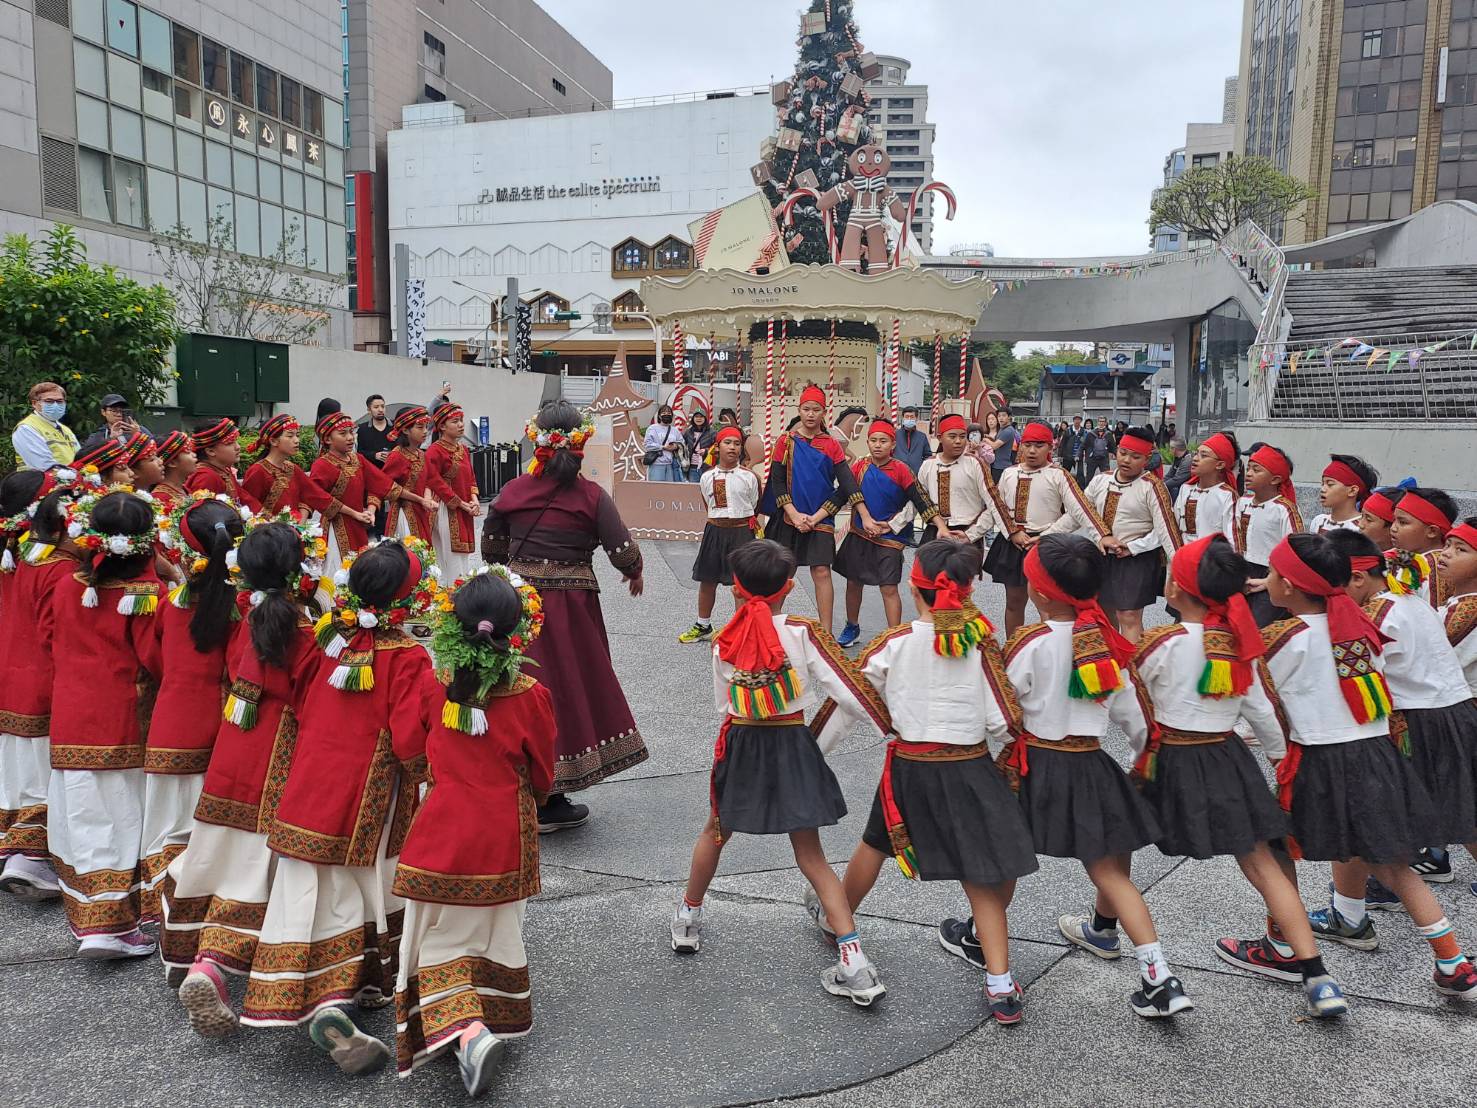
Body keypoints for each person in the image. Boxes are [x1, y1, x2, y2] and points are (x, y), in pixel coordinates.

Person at [240, 540, 439, 1073]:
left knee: (304, 888)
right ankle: (336, 998)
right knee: (357, 887)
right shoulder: (408, 655)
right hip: (362, 797)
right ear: (409, 596)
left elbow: (300, 704)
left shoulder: (329, 640)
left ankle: (312, 989)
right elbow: (407, 739)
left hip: (306, 784)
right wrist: (432, 779)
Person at [1129, 536, 1348, 1017]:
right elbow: (1264, 713)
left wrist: (1138, 743)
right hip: (1227, 760)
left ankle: (1117, 940)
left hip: (1170, 759)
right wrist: (1280, 763)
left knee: (1114, 845)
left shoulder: (1159, 644)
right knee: (1261, 863)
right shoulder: (1239, 643)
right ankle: (1319, 978)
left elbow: (1132, 702)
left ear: (1179, 589)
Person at [669, 539, 892, 1006]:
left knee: (715, 832)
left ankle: (688, 916)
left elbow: (722, 706)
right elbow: (848, 691)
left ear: (734, 589)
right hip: (793, 743)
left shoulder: (724, 638)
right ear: (789, 587)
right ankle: (854, 960)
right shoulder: (803, 631)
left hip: (744, 742)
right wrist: (893, 727)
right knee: (810, 854)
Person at [825, 541, 1038, 1025]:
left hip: (908, 769)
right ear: (968, 591)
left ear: (913, 586)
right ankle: (1001, 987)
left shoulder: (890, 645)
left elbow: (849, 705)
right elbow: (1004, 719)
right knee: (980, 876)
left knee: (874, 843)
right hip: (968, 767)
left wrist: (813, 752)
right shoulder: (981, 645)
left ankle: (834, 919)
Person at [1255, 534, 1474, 998]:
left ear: (1291, 586)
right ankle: (1452, 960)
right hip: (1376, 753)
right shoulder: (1361, 626)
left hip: (1323, 759)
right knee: (1392, 862)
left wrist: (1275, 750)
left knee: (1276, 846)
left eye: (1273, 574)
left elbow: (1262, 703)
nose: (1267, 581)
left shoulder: (1283, 637)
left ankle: (1285, 946)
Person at [997, 535, 1193, 1018]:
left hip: (1032, 766)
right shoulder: (1106, 644)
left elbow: (1003, 710)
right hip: (1088, 764)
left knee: (1004, 858)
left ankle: (984, 940)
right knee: (1109, 871)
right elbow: (1135, 716)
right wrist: (1143, 761)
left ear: (1039, 593)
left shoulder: (1028, 643)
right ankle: (1158, 974)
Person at [392, 566, 554, 1093]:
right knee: (492, 929)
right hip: (504, 828)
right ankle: (474, 1027)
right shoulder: (530, 693)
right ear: (514, 631)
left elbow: (413, 749)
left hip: (441, 826)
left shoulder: (436, 684)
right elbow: (543, 773)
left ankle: (463, 1026)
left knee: (439, 933)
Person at [167, 520, 321, 1036]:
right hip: (280, 750)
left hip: (233, 751)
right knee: (263, 869)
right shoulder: (302, 631)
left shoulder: (244, 619)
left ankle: (205, 959)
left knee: (225, 858)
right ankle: (221, 965)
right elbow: (311, 700)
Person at [483, 401, 647, 830]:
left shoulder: (513, 491)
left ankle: (514, 784)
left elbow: (492, 550)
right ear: (581, 443)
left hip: (518, 606)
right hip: (571, 608)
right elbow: (622, 549)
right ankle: (551, 796)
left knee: (516, 687)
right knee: (566, 689)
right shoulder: (591, 496)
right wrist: (634, 572)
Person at [1321, 528, 1477, 912]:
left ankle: (1351, 913)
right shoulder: (1406, 600)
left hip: (1418, 724)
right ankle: (1359, 902)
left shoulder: (1374, 615)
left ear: (1357, 578)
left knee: (1363, 816)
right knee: (1459, 812)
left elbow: (1359, 680)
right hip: (1451, 715)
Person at [38, 489, 162, 958]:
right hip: (122, 721)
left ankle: (91, 920)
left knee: (82, 818)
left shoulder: (69, 583)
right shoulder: (145, 596)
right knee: (121, 817)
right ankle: (112, 925)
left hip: (71, 716)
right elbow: (155, 659)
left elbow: (51, 638)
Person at [141, 495, 246, 919]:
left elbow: (154, 660)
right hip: (218, 730)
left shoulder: (172, 604)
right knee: (207, 827)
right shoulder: (239, 608)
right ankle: (196, 911)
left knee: (166, 824)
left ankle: (156, 906)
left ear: (184, 552)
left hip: (170, 727)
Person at [0, 472, 76, 898]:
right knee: (37, 772)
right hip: (40, 678)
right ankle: (28, 858)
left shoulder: (17, 551)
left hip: (11, 672)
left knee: (17, 769)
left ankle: (15, 847)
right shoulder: (50, 563)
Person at [759, 385, 876, 635]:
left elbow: (846, 483)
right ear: (799, 410)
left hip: (820, 516)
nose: (811, 414)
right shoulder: (785, 441)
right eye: (806, 409)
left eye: (816, 410)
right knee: (783, 571)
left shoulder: (832, 445)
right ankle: (771, 625)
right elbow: (777, 482)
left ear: (824, 412)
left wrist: (858, 515)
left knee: (822, 571)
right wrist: (792, 513)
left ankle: (825, 633)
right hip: (789, 516)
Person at [985, 421, 1118, 636]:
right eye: (1027, 444)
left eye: (1039, 445)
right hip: (1013, 543)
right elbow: (996, 508)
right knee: (1013, 602)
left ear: (1051, 447)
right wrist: (1009, 532)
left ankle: (1052, 651)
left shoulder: (1059, 475)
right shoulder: (1009, 474)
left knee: (1050, 606)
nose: (1032, 450)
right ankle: (1013, 651)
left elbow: (1080, 509)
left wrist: (1102, 535)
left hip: (1047, 547)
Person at [833, 418, 940, 646]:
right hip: (859, 532)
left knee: (889, 588)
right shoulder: (859, 467)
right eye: (873, 440)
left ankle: (895, 636)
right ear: (868, 442)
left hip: (890, 537)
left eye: (883, 441)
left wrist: (941, 526)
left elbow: (921, 501)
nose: (878, 445)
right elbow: (842, 495)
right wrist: (817, 517)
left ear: (893, 444)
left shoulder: (902, 470)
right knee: (853, 583)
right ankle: (852, 627)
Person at [1082, 425, 1182, 643]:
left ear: (1146, 460)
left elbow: (1165, 530)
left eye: (1135, 456)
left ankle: (1133, 673)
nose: (1126, 460)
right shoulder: (1101, 480)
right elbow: (1080, 513)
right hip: (1102, 556)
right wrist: (1048, 535)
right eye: (1123, 453)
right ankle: (1110, 667)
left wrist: (1135, 547)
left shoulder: (1153, 487)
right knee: (1104, 613)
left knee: (1128, 616)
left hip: (1137, 560)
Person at [679, 426, 760, 644]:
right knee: (707, 579)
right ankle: (703, 624)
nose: (732, 447)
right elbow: (708, 504)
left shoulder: (749, 477)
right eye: (727, 442)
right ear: (718, 446)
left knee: (741, 584)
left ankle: (740, 627)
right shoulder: (706, 477)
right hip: (714, 530)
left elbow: (754, 504)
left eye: (736, 443)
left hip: (742, 531)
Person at [309, 411, 395, 567]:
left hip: (359, 524)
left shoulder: (358, 459)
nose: (350, 437)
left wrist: (371, 510)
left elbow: (379, 484)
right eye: (343, 434)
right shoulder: (322, 465)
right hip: (336, 528)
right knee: (340, 572)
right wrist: (355, 514)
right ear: (327, 439)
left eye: (351, 432)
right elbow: (316, 498)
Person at [913, 413, 1000, 560]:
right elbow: (917, 501)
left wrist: (972, 534)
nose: (958, 441)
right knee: (926, 579)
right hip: (935, 531)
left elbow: (994, 503)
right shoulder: (929, 464)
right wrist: (892, 525)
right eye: (952, 437)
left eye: (962, 436)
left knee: (960, 581)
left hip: (967, 533)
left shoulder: (975, 463)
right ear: (940, 438)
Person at [1236, 444, 1303, 627]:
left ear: (1275, 479)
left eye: (1256, 470)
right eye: (1248, 468)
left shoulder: (1284, 509)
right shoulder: (1241, 503)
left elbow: (1296, 550)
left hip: (1272, 575)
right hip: (1242, 572)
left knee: (1260, 629)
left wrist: (1269, 581)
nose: (1248, 473)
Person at [242, 414, 343, 519]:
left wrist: (354, 513)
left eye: (297, 435)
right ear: (273, 441)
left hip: (293, 532)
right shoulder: (258, 471)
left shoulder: (292, 468)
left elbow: (318, 496)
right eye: (290, 436)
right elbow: (248, 508)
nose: (296, 440)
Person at [426, 403, 481, 580]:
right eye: (455, 421)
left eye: (461, 421)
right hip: (446, 509)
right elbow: (434, 481)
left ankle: (462, 589)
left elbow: (471, 478)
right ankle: (451, 594)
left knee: (463, 556)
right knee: (450, 557)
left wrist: (474, 500)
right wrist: (462, 504)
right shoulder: (434, 451)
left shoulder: (463, 449)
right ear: (442, 426)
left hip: (465, 507)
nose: (461, 425)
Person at [1389, 486, 1458, 609]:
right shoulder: (1408, 558)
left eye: (1403, 522)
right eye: (1393, 520)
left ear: (1432, 531)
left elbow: (1432, 619)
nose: (1393, 528)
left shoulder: (1432, 566)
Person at [380, 406, 440, 544]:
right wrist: (420, 500)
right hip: (403, 513)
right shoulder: (396, 456)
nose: (425, 431)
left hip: (421, 511)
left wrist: (427, 498)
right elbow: (386, 487)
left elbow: (429, 480)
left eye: (426, 427)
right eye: (420, 427)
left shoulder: (421, 454)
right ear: (405, 430)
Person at [1173, 432, 1240, 545]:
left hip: (1211, 560)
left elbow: (1232, 541)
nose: (1195, 459)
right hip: (1184, 557)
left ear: (1219, 465)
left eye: (1203, 455)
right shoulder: (1186, 489)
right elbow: (1174, 527)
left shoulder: (1227, 496)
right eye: (1196, 453)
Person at [186, 418, 261, 512]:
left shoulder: (224, 471)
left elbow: (246, 500)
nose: (238, 447)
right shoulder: (205, 477)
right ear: (211, 451)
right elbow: (204, 516)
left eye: (236, 441)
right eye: (230, 443)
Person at [12, 381, 80, 471]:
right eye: (49, 401)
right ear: (34, 403)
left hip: (70, 480)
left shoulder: (65, 429)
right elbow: (43, 465)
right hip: (39, 482)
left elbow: (79, 457)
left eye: (60, 401)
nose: (55, 405)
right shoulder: (26, 428)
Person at [1309, 455, 1378, 534]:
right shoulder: (1318, 521)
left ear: (1352, 490)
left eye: (1330, 484)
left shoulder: (1360, 528)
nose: (1323, 489)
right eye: (1322, 483)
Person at [78, 393, 153, 456]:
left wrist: (139, 436)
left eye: (122, 411)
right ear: (103, 412)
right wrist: (110, 440)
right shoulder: (99, 435)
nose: (119, 414)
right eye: (114, 410)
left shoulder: (140, 430)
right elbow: (86, 455)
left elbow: (155, 448)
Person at [150, 431, 197, 515]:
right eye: (188, 451)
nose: (194, 455)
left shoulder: (183, 489)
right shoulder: (160, 498)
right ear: (172, 463)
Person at [643, 404, 684, 483]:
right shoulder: (652, 428)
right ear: (659, 416)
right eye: (664, 413)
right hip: (656, 464)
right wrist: (663, 447)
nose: (666, 414)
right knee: (656, 490)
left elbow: (682, 443)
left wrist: (675, 446)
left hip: (670, 465)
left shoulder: (675, 430)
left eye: (669, 413)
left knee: (669, 491)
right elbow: (647, 444)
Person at [894, 406, 933, 479]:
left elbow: (927, 455)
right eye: (907, 416)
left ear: (916, 418)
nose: (909, 419)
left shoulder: (922, 437)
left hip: (916, 476)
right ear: (903, 418)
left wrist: (921, 468)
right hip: (897, 475)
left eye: (912, 417)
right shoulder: (895, 435)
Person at [357, 395, 394, 469]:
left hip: (393, 469)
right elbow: (359, 452)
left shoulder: (395, 426)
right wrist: (374, 455)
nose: (380, 410)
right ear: (369, 410)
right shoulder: (362, 429)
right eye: (376, 407)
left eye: (383, 406)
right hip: (372, 471)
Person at [683, 407, 716, 482]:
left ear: (705, 418)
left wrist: (706, 451)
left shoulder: (712, 432)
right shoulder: (688, 432)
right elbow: (682, 444)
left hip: (707, 467)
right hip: (692, 467)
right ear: (693, 418)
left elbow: (717, 447)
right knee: (693, 491)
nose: (699, 419)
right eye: (696, 416)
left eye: (701, 416)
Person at [987, 407, 1018, 484]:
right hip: (996, 465)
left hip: (1002, 467)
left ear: (1009, 417)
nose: (1001, 418)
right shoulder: (1002, 429)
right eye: (999, 416)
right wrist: (989, 438)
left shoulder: (1008, 430)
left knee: (999, 492)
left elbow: (994, 446)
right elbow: (998, 441)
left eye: (1004, 415)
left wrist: (985, 440)